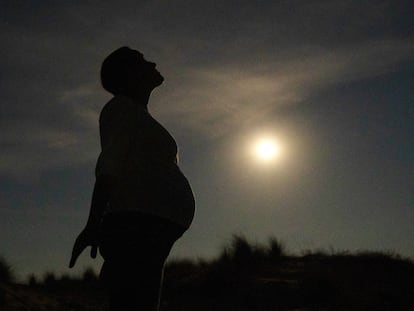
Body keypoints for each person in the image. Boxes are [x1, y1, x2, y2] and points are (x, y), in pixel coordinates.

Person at [69, 47, 195, 310]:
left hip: (150, 227)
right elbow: (109, 166)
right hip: (136, 225)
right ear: (129, 74)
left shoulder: (137, 115)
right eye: (142, 60)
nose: (153, 61)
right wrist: (93, 224)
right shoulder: (120, 109)